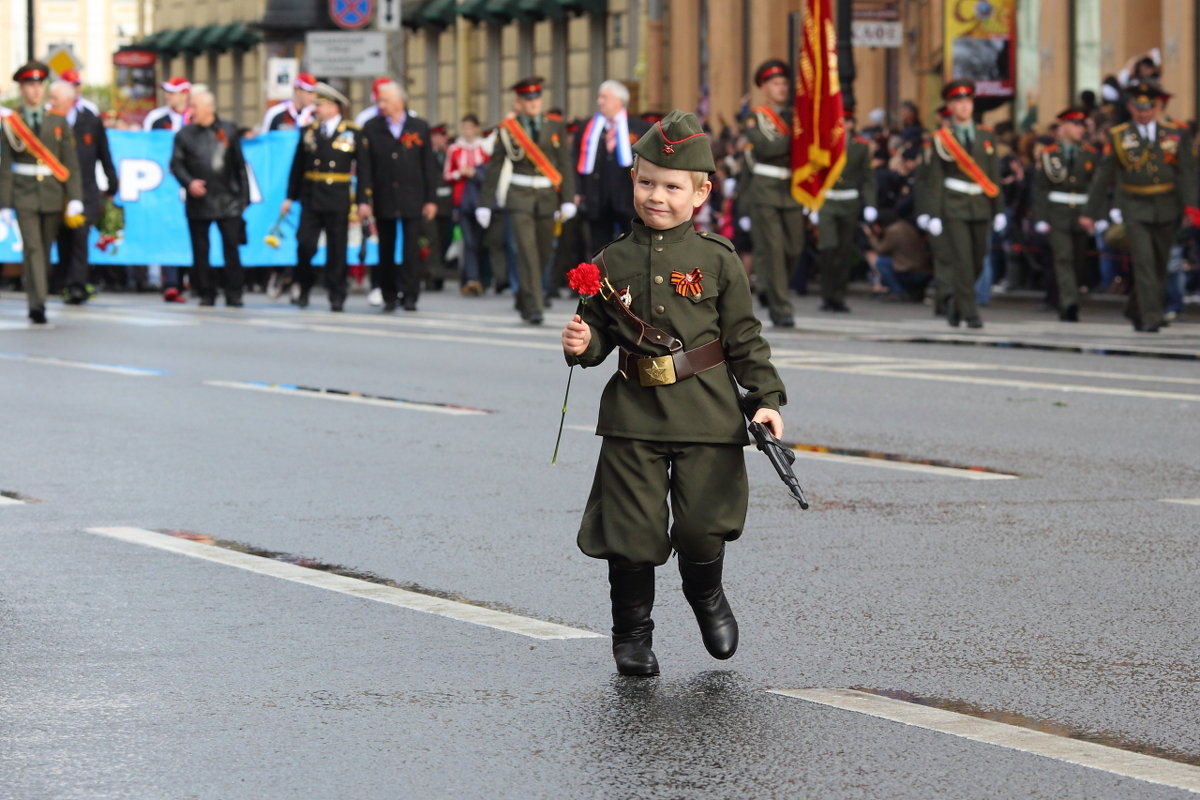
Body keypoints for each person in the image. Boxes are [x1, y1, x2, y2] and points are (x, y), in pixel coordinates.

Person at [560, 109, 786, 677]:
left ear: (701, 191)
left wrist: (765, 399)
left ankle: (705, 594)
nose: (656, 196)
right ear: (632, 181)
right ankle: (631, 635)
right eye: (645, 182)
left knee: (702, 524)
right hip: (633, 414)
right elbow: (597, 340)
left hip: (706, 413)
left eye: (671, 186)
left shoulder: (718, 259)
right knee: (631, 533)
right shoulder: (611, 260)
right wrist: (581, 343)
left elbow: (744, 339)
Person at [1081, 78, 1198, 332]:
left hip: (1167, 206)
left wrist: (1192, 207)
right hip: (1134, 206)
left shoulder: (1175, 134)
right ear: (1131, 109)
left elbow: (1187, 174)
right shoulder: (1120, 136)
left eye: (1148, 108)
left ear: (1156, 108)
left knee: (1160, 264)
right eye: (1139, 108)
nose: (1144, 113)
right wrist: (1090, 212)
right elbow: (1103, 176)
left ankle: (1136, 307)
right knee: (1144, 262)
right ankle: (1151, 317)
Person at [478, 76, 576, 325]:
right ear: (519, 102)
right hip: (519, 197)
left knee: (544, 252)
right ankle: (535, 306)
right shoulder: (508, 129)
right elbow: (495, 168)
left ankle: (524, 295)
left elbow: (564, 163)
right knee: (527, 253)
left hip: (546, 197)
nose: (533, 103)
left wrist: (567, 198)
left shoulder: (554, 126)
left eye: (536, 98)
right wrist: (485, 203)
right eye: (527, 99)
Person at [0, 63, 84, 325]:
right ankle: (37, 303)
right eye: (29, 86)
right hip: (23, 192)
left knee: (46, 250)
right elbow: (4, 165)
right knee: (33, 248)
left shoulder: (57, 120)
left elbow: (70, 163)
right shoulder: (12, 122)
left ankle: (39, 294)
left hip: (52, 193)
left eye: (39, 85)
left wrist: (75, 198)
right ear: (22, 89)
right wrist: (4, 202)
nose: (35, 91)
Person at [922, 79, 1005, 329]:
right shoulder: (941, 139)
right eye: (958, 102)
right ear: (950, 106)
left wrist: (999, 209)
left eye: (967, 101)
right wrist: (933, 214)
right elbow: (934, 179)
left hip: (980, 204)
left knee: (979, 259)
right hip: (953, 205)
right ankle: (971, 314)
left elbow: (994, 175)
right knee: (962, 261)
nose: (964, 106)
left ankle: (956, 306)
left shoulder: (986, 136)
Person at [356, 80, 438, 312]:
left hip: (412, 195)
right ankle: (389, 294)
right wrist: (363, 199)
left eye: (385, 100)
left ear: (399, 101)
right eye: (380, 100)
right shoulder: (371, 127)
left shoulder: (418, 126)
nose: (381, 105)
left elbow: (428, 166)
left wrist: (430, 199)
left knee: (411, 248)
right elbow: (365, 167)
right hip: (384, 195)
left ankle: (411, 294)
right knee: (386, 249)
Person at [169, 88, 249, 307]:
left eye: (194, 106)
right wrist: (189, 182)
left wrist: (244, 197)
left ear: (209, 108)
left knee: (231, 247)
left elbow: (239, 166)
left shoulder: (229, 130)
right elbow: (176, 164)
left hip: (227, 198)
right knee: (201, 249)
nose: (191, 111)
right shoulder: (184, 134)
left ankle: (234, 292)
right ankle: (206, 292)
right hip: (199, 200)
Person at [281, 82, 358, 311]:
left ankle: (337, 293)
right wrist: (289, 197)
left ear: (334, 107)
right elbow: (298, 167)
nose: (316, 110)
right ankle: (303, 285)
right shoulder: (309, 131)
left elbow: (363, 169)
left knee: (337, 249)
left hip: (337, 196)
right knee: (305, 244)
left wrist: (363, 201)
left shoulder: (351, 132)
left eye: (321, 105)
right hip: (311, 196)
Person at [743, 59, 807, 327]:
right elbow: (765, 149)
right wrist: (798, 140)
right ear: (765, 88)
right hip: (766, 190)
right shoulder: (755, 117)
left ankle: (769, 287)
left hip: (791, 190)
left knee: (794, 247)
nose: (781, 88)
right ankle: (782, 309)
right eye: (775, 84)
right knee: (775, 250)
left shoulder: (797, 117)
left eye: (784, 83)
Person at [52, 80, 118, 305]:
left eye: (56, 100)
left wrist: (112, 183)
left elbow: (104, 153)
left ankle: (78, 285)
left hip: (86, 190)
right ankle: (64, 282)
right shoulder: (48, 122)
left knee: (80, 237)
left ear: (69, 101)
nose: (51, 103)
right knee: (64, 240)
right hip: (58, 191)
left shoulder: (90, 120)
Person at [1031, 107, 1099, 322]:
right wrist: (1041, 217)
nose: (1080, 129)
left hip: (1081, 212)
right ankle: (1069, 303)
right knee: (1063, 258)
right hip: (1057, 212)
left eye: (1082, 125)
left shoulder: (1090, 153)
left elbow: (1096, 187)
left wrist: (1098, 214)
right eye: (1076, 125)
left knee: (1078, 260)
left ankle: (1069, 298)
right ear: (1064, 127)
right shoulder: (1049, 154)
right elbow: (1041, 187)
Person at [573, 79, 650, 252]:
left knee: (631, 247)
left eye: (604, 97)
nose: (599, 101)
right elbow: (574, 160)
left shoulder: (639, 127)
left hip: (628, 200)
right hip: (596, 200)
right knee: (598, 248)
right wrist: (577, 190)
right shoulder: (588, 128)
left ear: (619, 101)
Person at [813, 110, 877, 312]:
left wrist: (870, 204)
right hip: (828, 201)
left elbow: (868, 176)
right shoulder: (824, 144)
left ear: (851, 124)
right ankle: (827, 294)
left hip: (849, 201)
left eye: (846, 121)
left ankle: (838, 296)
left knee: (844, 251)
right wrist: (812, 203)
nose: (842, 125)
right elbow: (814, 173)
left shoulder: (860, 146)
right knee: (828, 248)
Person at [445, 112, 489, 295]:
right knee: (468, 241)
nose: (467, 131)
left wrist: (475, 174)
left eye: (470, 127)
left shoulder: (484, 148)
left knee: (480, 242)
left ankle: (480, 277)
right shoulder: (455, 149)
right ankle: (472, 279)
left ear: (477, 128)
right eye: (464, 127)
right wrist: (460, 173)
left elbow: (490, 174)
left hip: (481, 200)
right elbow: (447, 174)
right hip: (462, 200)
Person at [864, 209, 932, 301]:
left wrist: (871, 236)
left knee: (881, 262)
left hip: (910, 271)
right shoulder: (904, 226)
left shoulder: (893, 231)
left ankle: (898, 292)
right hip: (919, 269)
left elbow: (881, 249)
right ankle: (908, 292)